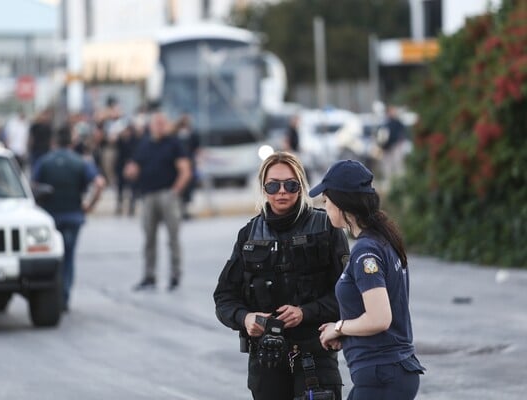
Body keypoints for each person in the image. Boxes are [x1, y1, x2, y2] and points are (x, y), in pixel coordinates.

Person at [213, 151, 350, 400]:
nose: (282, 192)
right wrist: (246, 318)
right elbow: (224, 297)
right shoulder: (249, 234)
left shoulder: (327, 228)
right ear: (264, 189)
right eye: (273, 185)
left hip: (315, 355)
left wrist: (305, 312)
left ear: (301, 185)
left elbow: (350, 295)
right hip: (266, 360)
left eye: (290, 184)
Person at [310, 159, 425, 399]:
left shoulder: (366, 251)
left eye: (327, 200)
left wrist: (338, 327)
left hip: (382, 374)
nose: (325, 205)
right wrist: (348, 335)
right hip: (389, 372)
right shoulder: (382, 240)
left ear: (342, 203)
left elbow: (379, 318)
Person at [31, 124, 106, 311]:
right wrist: (90, 205)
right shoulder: (80, 162)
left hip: (51, 217)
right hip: (73, 215)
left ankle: (52, 295)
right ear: (72, 142)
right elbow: (99, 183)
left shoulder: (44, 161)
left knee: (52, 258)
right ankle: (63, 296)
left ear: (54, 142)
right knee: (69, 258)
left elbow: (32, 185)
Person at [124, 110, 191, 291]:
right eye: (156, 123)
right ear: (151, 125)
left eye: (163, 123)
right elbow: (135, 165)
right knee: (149, 239)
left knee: (173, 238)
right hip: (148, 195)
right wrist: (130, 171)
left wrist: (175, 191)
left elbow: (185, 170)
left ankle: (175, 274)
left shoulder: (173, 144)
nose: (160, 126)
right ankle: (149, 275)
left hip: (167, 194)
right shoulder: (145, 144)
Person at [378, 105, 410, 188]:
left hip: (395, 146)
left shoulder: (397, 122)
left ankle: (400, 183)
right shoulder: (385, 122)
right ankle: (389, 183)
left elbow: (402, 133)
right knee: (387, 167)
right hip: (386, 147)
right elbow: (381, 136)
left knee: (398, 165)